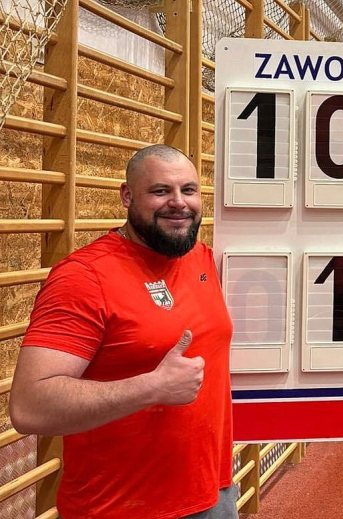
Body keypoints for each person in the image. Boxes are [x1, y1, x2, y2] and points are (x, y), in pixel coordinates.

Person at [9, 145, 237, 518]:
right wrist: (152, 388)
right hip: (119, 508)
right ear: (127, 196)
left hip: (213, 492)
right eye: (160, 191)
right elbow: (29, 407)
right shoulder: (84, 277)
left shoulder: (203, 259)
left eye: (189, 190)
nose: (178, 203)